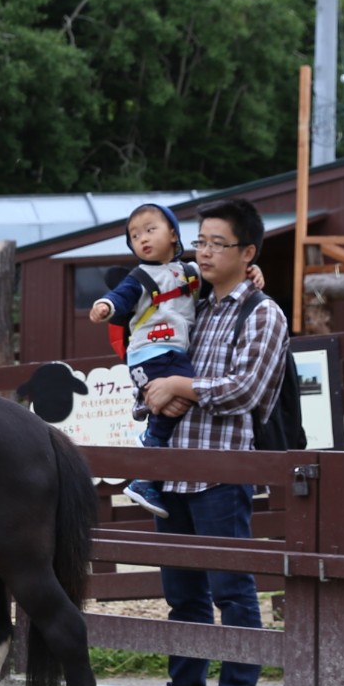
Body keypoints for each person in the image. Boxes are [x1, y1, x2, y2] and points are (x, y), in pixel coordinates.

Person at [135, 197, 290, 686]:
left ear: (247, 253)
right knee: (181, 592)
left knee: (232, 588)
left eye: (216, 244)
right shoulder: (187, 302)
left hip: (222, 470)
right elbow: (152, 357)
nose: (203, 252)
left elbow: (247, 390)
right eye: (200, 241)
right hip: (170, 470)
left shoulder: (262, 313)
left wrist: (180, 386)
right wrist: (153, 389)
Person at [87, 203, 201, 518]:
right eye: (135, 236)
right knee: (187, 392)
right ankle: (144, 478)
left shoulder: (190, 272)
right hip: (150, 353)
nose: (143, 239)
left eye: (151, 230)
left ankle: (150, 445)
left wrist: (253, 271)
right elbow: (120, 297)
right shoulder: (140, 276)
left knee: (178, 402)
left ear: (174, 235)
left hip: (174, 352)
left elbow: (220, 284)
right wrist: (104, 306)